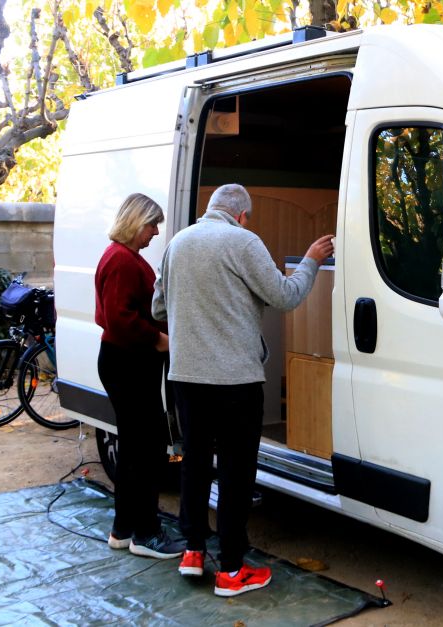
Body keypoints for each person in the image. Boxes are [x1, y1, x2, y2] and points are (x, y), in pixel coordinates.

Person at [152, 183, 334, 596]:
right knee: (235, 472)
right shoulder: (243, 241)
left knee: (195, 464)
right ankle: (232, 569)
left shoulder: (178, 243)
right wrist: (309, 260)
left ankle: (194, 551)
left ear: (211, 209)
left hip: (186, 377)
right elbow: (285, 296)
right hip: (235, 381)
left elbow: (158, 309)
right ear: (243, 215)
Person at [95, 193, 186, 560]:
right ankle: (146, 534)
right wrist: (157, 338)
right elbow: (119, 318)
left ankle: (123, 528)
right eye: (152, 224)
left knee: (134, 450)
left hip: (123, 361)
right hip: (129, 362)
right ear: (137, 222)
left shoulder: (122, 257)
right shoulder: (122, 260)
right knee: (146, 451)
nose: (155, 232)